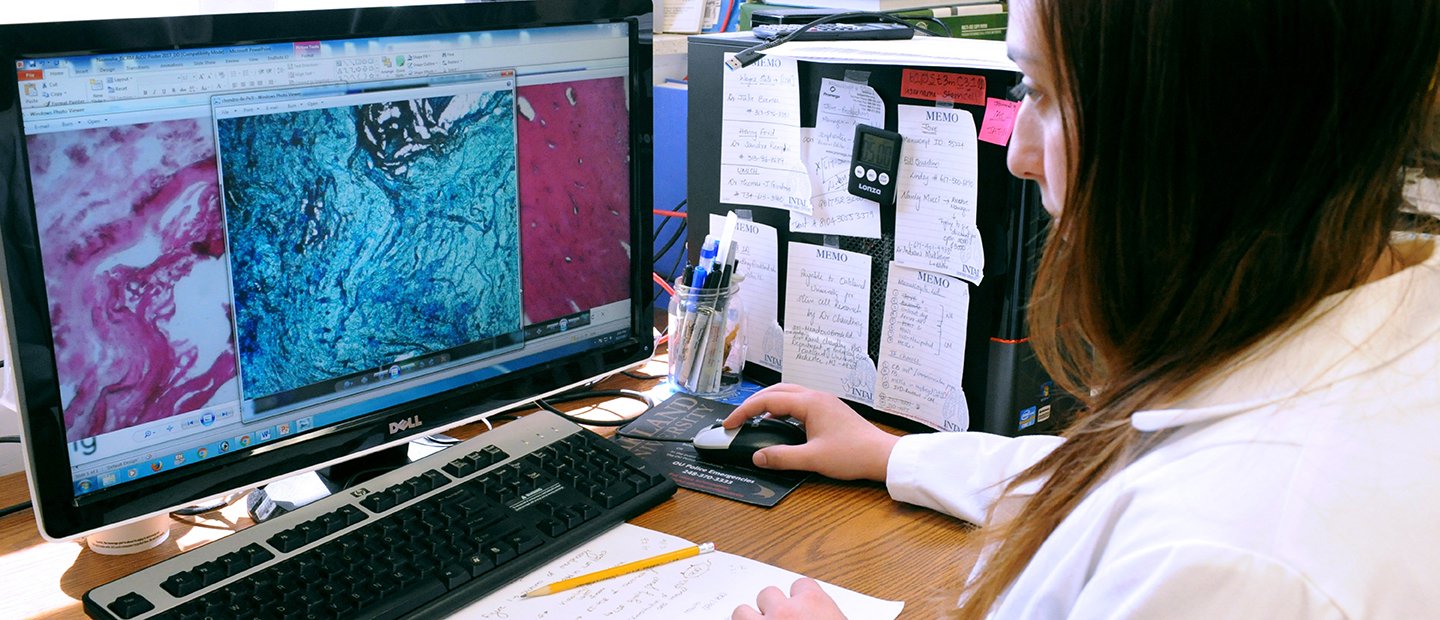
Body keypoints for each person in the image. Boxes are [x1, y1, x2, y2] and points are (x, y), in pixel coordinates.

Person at [726, 0, 1440, 618]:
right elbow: (1125, 476)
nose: (1017, 156)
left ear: (1184, 129)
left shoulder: (1234, 560)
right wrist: (892, 452)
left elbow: (1173, 512)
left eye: (1040, 91)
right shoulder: (1379, 311)